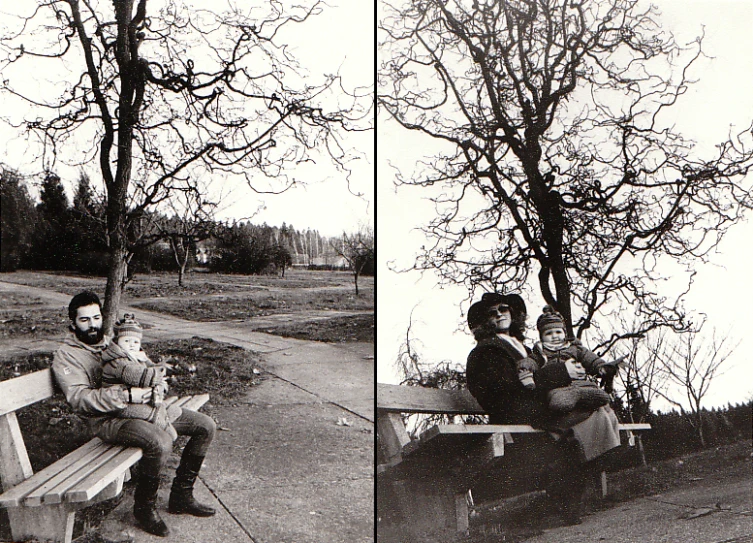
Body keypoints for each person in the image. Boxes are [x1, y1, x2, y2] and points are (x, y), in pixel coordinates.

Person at [52, 291, 217, 537]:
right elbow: (80, 400)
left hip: (144, 409)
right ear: (72, 323)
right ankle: (144, 508)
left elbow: (147, 368)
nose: (92, 324)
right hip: (107, 420)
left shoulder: (112, 342)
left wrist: (158, 386)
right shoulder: (67, 356)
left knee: (206, 426)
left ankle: (182, 495)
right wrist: (127, 396)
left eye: (96, 317)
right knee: (159, 442)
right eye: (84, 320)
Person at [465, 292, 621, 526]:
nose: (499, 315)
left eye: (504, 309)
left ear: (513, 314)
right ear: (484, 322)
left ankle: (567, 496)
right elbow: (508, 390)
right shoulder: (487, 350)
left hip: (539, 408)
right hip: (517, 414)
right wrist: (561, 373)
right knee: (584, 422)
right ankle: (564, 499)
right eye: (492, 313)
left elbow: (537, 376)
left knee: (599, 414)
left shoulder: (522, 347)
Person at [101, 313, 179, 441]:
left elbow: (151, 369)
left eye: (135, 341)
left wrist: (158, 379)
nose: (131, 345)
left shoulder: (136, 356)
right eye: (126, 341)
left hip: (135, 398)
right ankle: (163, 425)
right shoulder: (118, 361)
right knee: (151, 414)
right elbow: (141, 377)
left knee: (159, 406)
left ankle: (164, 417)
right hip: (121, 406)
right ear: (117, 342)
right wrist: (160, 372)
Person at [522, 306, 612, 413]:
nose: (554, 336)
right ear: (542, 337)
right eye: (549, 333)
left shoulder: (574, 348)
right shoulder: (540, 352)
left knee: (598, 395)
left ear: (564, 333)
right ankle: (573, 396)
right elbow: (530, 363)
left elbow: (591, 359)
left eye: (558, 332)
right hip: (558, 387)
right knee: (558, 401)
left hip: (580, 383)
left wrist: (601, 367)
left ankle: (586, 394)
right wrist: (525, 368)